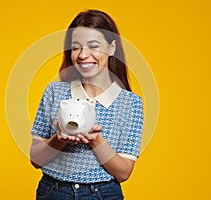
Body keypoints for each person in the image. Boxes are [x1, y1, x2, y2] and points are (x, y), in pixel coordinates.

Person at [30, 9, 143, 200]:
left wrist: (95, 140)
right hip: (53, 192)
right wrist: (60, 138)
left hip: (103, 194)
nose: (83, 55)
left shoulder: (130, 103)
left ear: (111, 48)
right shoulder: (54, 92)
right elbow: (36, 159)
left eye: (93, 46)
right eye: (76, 47)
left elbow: (123, 173)